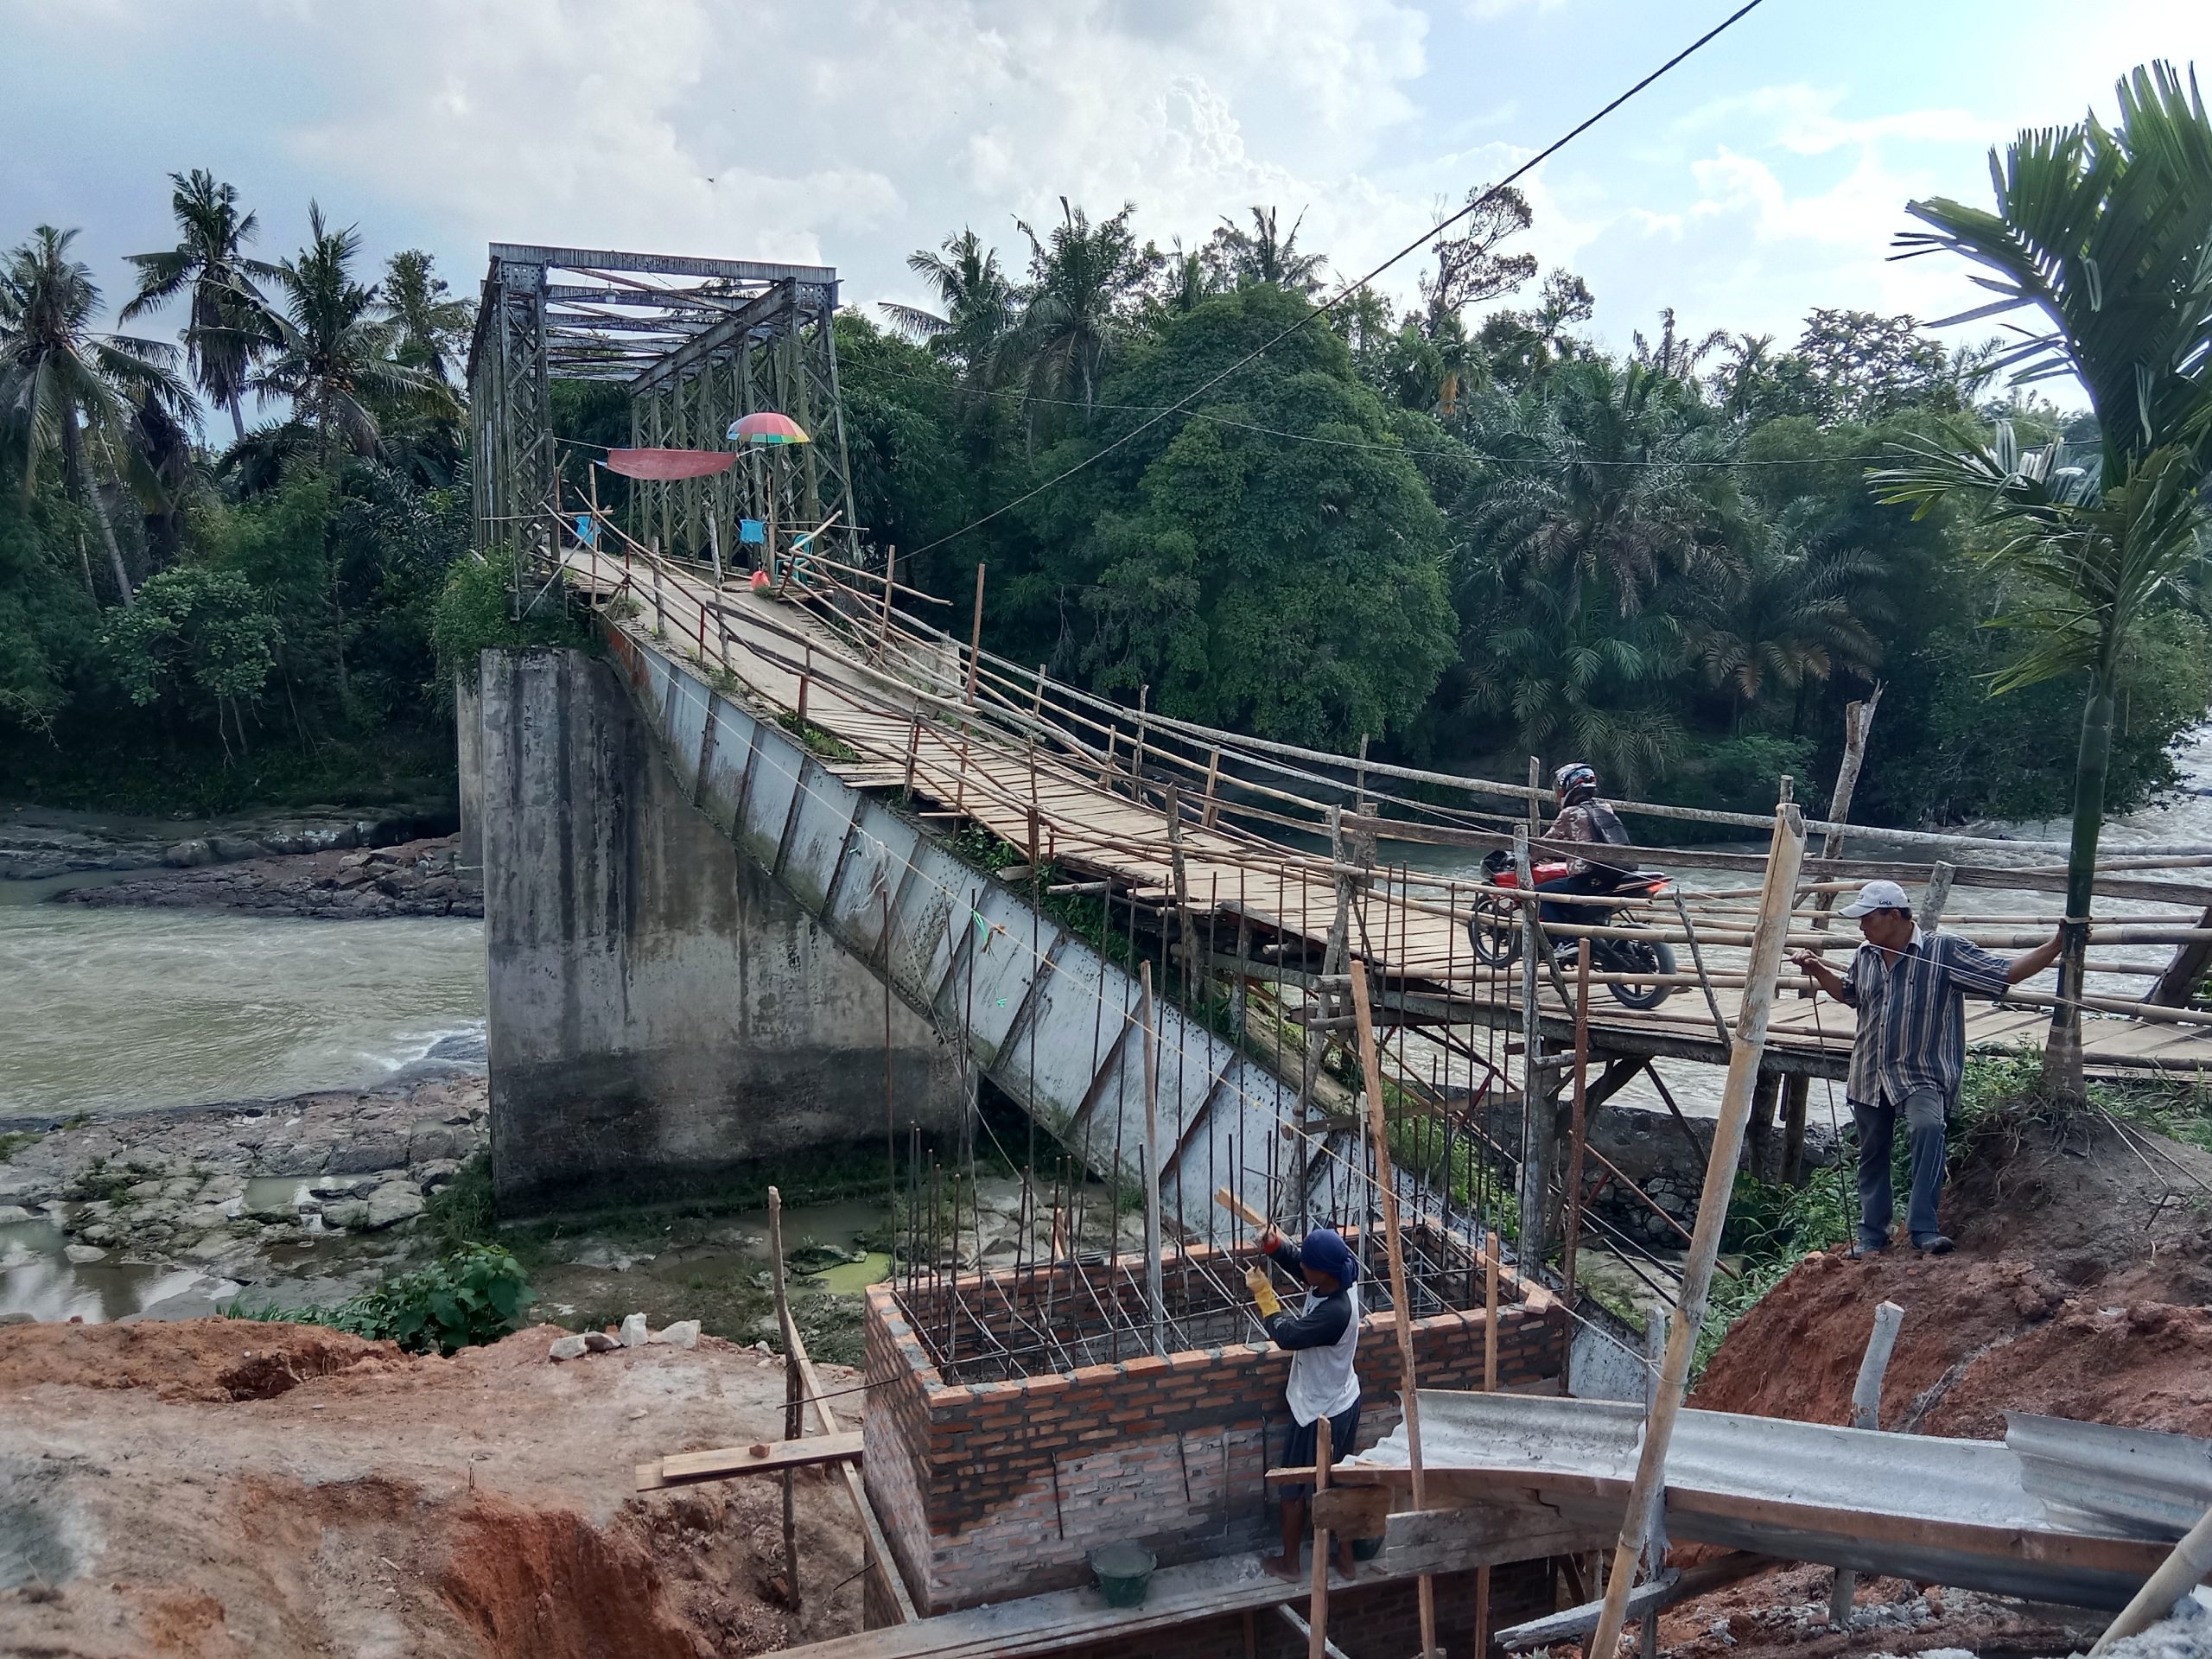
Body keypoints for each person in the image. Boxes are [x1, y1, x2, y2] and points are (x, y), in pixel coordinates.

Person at [1793, 880, 2062, 1257]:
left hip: (1922, 1072)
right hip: (1870, 1071)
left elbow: (2006, 973)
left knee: (1928, 1128)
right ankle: (1873, 1234)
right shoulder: (1866, 954)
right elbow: (1849, 993)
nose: (1861, 926)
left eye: (1867, 918)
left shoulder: (1943, 951)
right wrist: (1818, 969)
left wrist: (2056, 945)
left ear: (1892, 915)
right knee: (1872, 1153)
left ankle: (1923, 1227)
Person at [1246, 1223, 1363, 1581]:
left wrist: (1265, 1296)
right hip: (1344, 1397)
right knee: (1338, 1481)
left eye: (1308, 1267)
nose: (1302, 1269)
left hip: (1317, 1410)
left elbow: (1287, 1335)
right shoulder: (1339, 1276)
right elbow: (1303, 1265)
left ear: (1322, 1272)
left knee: (1293, 1486)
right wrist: (1276, 1247)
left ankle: (1290, 1564)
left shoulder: (1335, 1313)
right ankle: (1346, 1562)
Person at [1535, 762, 1635, 930]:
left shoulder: (1570, 813)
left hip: (1586, 879)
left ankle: (1563, 939)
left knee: (1538, 894)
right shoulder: (1605, 807)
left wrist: (1526, 856)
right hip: (1612, 874)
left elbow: (1546, 844)